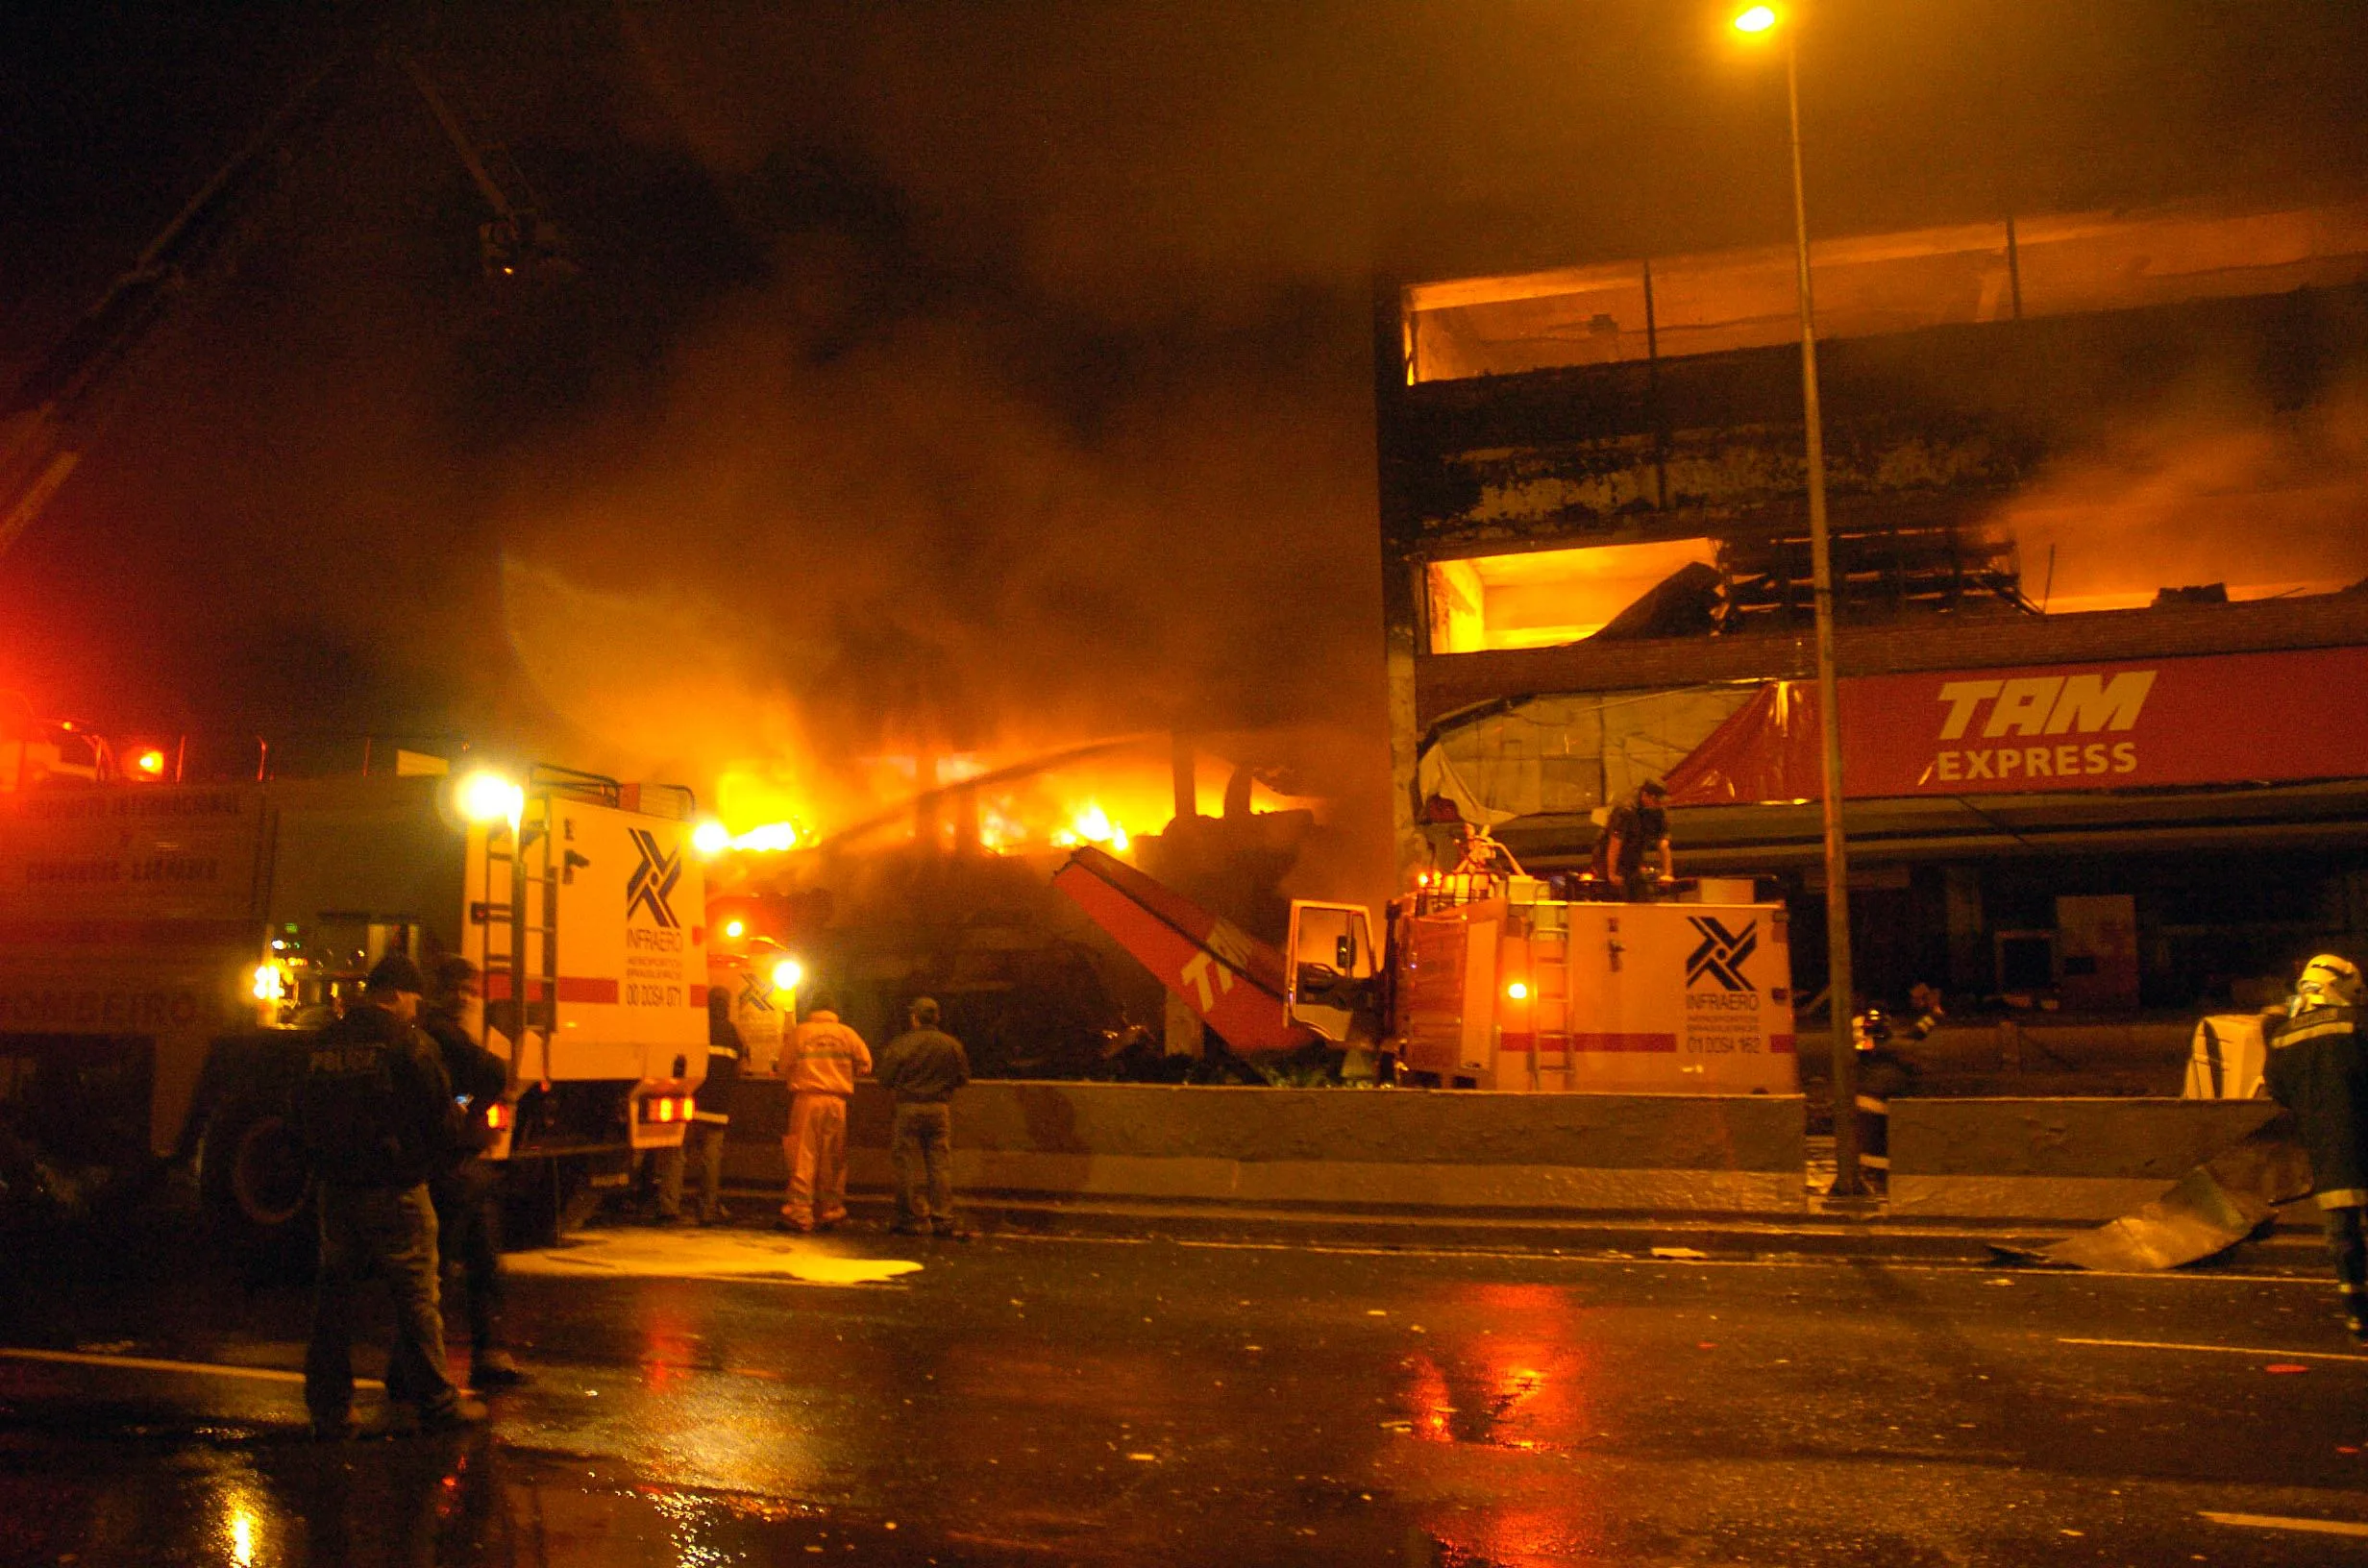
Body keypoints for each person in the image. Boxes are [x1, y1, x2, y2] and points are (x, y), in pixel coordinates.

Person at [293, 951, 485, 1437]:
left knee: (334, 1298)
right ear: (396, 994)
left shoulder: (322, 1043)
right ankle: (438, 1405)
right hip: (395, 1189)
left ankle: (330, 1410)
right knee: (417, 1295)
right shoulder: (408, 1044)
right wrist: (457, 1135)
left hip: (337, 1190)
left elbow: (297, 1114)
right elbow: (439, 1117)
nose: (416, 1009)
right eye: (413, 999)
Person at [419, 957, 526, 1389]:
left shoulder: (447, 1034)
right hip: (446, 1165)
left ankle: (487, 1354)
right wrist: (475, 1094)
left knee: (483, 1262)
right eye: (456, 988)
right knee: (439, 1268)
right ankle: (420, 1368)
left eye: (470, 989)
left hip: (466, 1164)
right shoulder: (437, 1034)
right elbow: (488, 1072)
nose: (464, 997)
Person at [2262, 953, 2368, 1342]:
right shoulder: (2357, 1024)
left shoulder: (2283, 1037)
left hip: (2329, 1152)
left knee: (2343, 1234)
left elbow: (2278, 1090)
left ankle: (2358, 1316)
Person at [874, 996, 973, 1239]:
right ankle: (942, 1218)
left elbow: (885, 1078)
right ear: (937, 1018)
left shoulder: (901, 1044)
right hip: (939, 1109)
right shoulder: (951, 1045)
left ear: (915, 1018)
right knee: (939, 1164)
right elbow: (963, 1078)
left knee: (905, 1164)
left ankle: (908, 1219)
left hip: (908, 1107)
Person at [777, 992, 870, 1233]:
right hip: (838, 1101)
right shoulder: (848, 1034)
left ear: (812, 1009)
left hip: (807, 1099)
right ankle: (830, 1209)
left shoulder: (801, 1032)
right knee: (833, 1158)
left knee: (803, 1156)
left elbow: (783, 1066)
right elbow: (866, 1064)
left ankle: (800, 1212)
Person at [657, 990, 745, 1225]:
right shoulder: (733, 1034)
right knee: (711, 1160)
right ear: (726, 1006)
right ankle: (706, 1210)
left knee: (677, 1156)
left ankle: (669, 1207)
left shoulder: (694, 1028)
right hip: (718, 1108)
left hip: (690, 1102)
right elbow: (740, 1069)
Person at [1851, 985, 1942, 1189]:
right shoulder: (1874, 1045)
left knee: (1877, 1147)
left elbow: (1910, 1037)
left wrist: (1934, 1015)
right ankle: (1874, 1181)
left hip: (1878, 1099)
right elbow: (1904, 1042)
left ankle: (1875, 1180)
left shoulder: (1879, 1043)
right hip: (1874, 1099)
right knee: (1874, 1147)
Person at [1592, 779, 1673, 901]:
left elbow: (1663, 844)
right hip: (1608, 857)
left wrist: (1667, 873)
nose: (1657, 805)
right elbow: (1615, 843)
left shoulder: (1658, 811)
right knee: (1616, 891)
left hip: (1633, 857)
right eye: (1655, 801)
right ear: (1645, 795)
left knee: (1640, 893)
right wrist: (1612, 873)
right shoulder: (1626, 810)